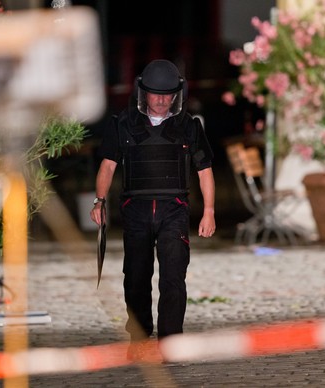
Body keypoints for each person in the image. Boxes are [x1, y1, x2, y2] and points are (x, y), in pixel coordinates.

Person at [90, 59, 216, 358]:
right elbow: (108, 165)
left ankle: (171, 341)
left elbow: (205, 170)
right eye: (155, 93)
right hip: (136, 209)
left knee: (173, 276)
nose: (161, 100)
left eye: (167, 94)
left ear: (176, 94)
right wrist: (100, 200)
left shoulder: (189, 126)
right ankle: (138, 336)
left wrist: (208, 210)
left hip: (174, 208)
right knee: (135, 276)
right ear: (143, 92)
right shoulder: (122, 124)